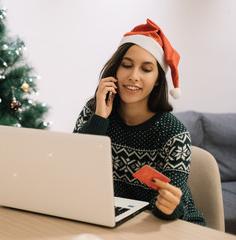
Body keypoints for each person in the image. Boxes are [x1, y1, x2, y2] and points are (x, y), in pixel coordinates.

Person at [73, 19, 206, 225]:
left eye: (146, 69)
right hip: (108, 220)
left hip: (167, 225)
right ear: (115, 70)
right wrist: (99, 119)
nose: (133, 76)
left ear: (158, 80)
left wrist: (167, 206)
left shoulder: (174, 134)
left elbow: (175, 208)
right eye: (126, 66)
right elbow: (74, 169)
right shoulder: (93, 111)